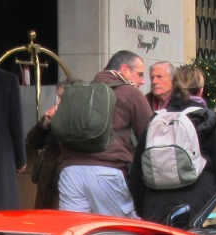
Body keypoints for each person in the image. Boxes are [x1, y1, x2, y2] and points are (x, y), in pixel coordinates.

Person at [132, 63, 216, 225]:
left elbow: (138, 174)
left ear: (174, 88)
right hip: (200, 207)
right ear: (201, 90)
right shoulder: (209, 122)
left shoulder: (156, 122)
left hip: (155, 207)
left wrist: (144, 209)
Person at [56, 50, 153, 218]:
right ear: (125, 70)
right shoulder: (131, 93)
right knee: (120, 234)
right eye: (140, 74)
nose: (142, 81)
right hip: (106, 172)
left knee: (76, 234)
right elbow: (150, 135)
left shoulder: (79, 92)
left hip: (69, 171)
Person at [0, 40, 27, 211]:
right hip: (2, 152)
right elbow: (16, 122)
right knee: (3, 207)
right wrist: (21, 159)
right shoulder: (8, 80)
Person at [25, 79, 70, 210]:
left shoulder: (76, 120)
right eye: (58, 96)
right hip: (46, 176)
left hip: (62, 178)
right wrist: (45, 123)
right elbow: (33, 141)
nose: (58, 102)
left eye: (61, 97)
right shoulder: (53, 116)